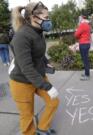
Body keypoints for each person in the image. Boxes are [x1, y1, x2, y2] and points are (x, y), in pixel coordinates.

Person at [9, 2, 59, 135]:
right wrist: (47, 86)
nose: (48, 20)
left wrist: (46, 61)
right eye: (46, 17)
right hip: (21, 82)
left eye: (48, 17)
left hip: (37, 76)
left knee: (53, 102)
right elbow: (26, 68)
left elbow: (38, 53)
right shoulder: (21, 36)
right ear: (34, 17)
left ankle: (42, 128)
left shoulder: (38, 32)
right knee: (27, 115)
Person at [75, 10, 91, 81]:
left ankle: (87, 75)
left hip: (83, 44)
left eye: (80, 17)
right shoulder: (88, 24)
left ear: (82, 17)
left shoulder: (82, 24)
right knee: (86, 59)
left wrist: (78, 35)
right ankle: (86, 73)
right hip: (87, 43)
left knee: (85, 60)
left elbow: (76, 35)